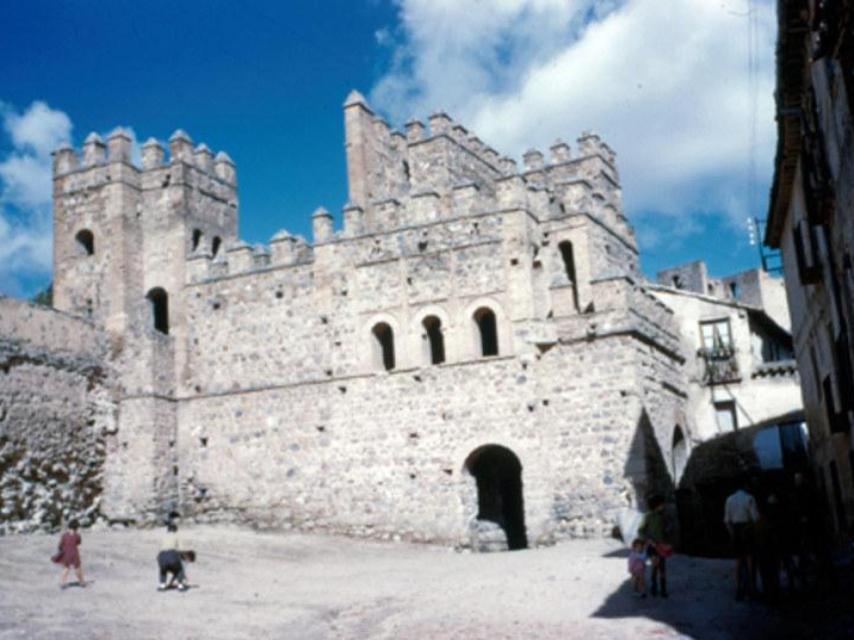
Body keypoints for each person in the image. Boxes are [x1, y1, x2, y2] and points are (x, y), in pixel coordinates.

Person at [724, 480, 759, 600]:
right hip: (747, 529)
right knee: (750, 559)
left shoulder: (729, 499)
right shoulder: (749, 498)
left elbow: (727, 520)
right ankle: (752, 588)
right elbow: (755, 518)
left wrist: (732, 533)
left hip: (736, 529)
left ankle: (739, 589)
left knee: (738, 561)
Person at [639, 495, 673, 598]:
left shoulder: (663, 515)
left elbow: (667, 529)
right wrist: (649, 540)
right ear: (656, 505)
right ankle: (654, 587)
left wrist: (668, 531)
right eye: (661, 504)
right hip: (652, 546)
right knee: (655, 567)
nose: (663, 506)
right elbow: (641, 531)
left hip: (661, 545)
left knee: (662, 568)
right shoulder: (647, 516)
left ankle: (663, 589)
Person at [53, 519, 86, 589]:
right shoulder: (77, 535)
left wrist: (61, 550)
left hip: (66, 553)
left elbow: (60, 545)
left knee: (66, 568)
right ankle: (82, 582)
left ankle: (62, 583)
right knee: (77, 568)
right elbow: (78, 543)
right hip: (74, 553)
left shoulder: (64, 535)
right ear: (77, 528)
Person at [157, 522, 189, 591]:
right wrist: (184, 557)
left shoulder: (163, 537)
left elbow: (161, 548)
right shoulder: (176, 536)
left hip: (161, 556)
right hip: (172, 555)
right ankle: (180, 586)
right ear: (175, 530)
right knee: (179, 569)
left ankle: (162, 585)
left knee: (163, 569)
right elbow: (181, 549)